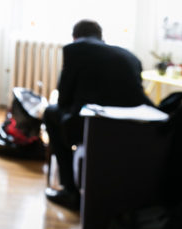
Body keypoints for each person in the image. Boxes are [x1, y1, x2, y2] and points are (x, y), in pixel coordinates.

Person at [43, 19, 150, 211]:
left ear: (75, 37)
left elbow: (63, 100)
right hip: (133, 126)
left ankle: (69, 191)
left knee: (51, 113)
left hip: (93, 125)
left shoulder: (75, 50)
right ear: (101, 37)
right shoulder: (130, 56)